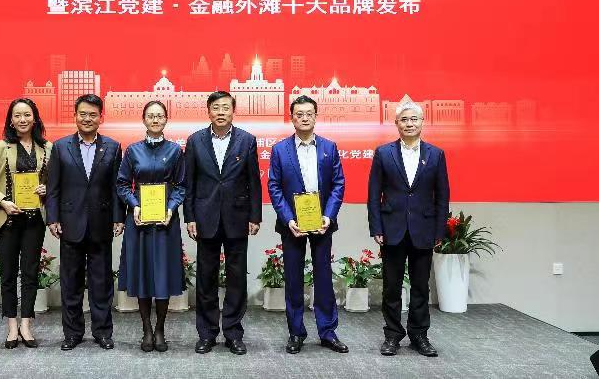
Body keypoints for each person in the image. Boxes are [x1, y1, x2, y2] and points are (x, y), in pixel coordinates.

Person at [367, 101, 450, 357]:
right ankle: (392, 335)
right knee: (391, 287)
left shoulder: (436, 154)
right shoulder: (384, 153)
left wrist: (439, 231)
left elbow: (442, 196)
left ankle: (419, 335)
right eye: (404, 120)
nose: (409, 124)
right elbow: (374, 195)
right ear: (396, 124)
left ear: (422, 122)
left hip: (424, 230)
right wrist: (376, 227)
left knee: (420, 287)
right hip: (392, 230)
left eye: (414, 119)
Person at [183, 91, 262, 355]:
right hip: (205, 217)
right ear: (208, 111)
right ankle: (206, 333)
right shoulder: (195, 140)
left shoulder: (247, 140)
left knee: (236, 278)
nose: (220, 112)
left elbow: (254, 182)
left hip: (237, 217)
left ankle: (233, 333)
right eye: (215, 108)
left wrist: (255, 216)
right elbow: (189, 183)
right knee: (206, 278)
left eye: (225, 108)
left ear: (233, 111)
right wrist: (190, 217)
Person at [268, 95, 348, 354]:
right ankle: (296, 332)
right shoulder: (280, 150)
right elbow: (274, 187)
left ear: (315, 116)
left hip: (322, 223)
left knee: (323, 277)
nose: (304, 118)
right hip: (292, 224)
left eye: (309, 114)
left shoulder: (329, 147)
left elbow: (338, 184)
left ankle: (328, 332)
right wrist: (288, 219)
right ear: (291, 118)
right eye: (299, 114)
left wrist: (329, 216)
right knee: (293, 279)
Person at [45, 94, 125, 351]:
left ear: (101, 117)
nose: (87, 118)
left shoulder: (113, 147)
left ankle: (102, 332)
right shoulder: (60, 147)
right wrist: (52, 218)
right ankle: (72, 333)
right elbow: (53, 188)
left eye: (93, 114)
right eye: (83, 114)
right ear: (75, 116)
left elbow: (117, 187)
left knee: (102, 283)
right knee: (71, 282)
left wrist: (118, 217)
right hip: (70, 223)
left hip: (102, 223)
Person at [0, 98, 52, 349]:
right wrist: (3, 202)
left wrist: (46, 188)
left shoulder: (47, 148)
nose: (22, 119)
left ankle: (26, 325)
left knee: (30, 273)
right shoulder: (0, 147)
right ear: (11, 120)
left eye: (27, 115)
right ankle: (11, 326)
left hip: (34, 221)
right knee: (8, 273)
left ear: (35, 118)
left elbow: (53, 182)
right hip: (7, 220)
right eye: (17, 115)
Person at [116, 101, 186, 353]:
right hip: (139, 221)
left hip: (166, 221)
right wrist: (134, 205)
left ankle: (160, 329)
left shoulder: (175, 151)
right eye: (151, 116)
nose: (155, 120)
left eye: (159, 116)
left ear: (166, 120)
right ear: (144, 120)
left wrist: (171, 208)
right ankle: (146, 329)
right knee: (143, 273)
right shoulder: (133, 151)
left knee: (163, 274)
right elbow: (122, 184)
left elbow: (181, 185)